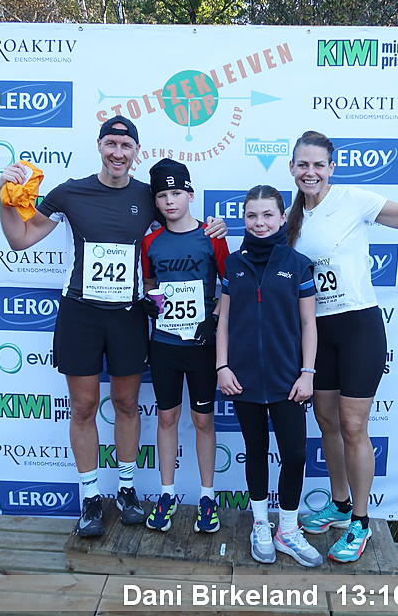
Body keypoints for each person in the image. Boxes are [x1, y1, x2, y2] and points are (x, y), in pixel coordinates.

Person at [0, 116, 226, 537]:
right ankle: (89, 497)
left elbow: (182, 226)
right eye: (111, 144)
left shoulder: (147, 196)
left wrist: (216, 230)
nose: (118, 153)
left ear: (136, 151)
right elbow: (20, 239)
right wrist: (3, 197)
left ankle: (126, 489)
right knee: (83, 407)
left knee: (126, 404)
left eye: (126, 146)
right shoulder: (69, 192)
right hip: (81, 314)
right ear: (100, 145)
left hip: (128, 315)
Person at [288, 131, 398, 562]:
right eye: (303, 164)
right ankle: (339, 504)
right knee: (327, 421)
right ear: (292, 168)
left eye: (318, 165)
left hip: (358, 327)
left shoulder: (353, 199)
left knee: (353, 425)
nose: (311, 172)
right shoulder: (292, 217)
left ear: (331, 168)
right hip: (318, 332)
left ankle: (361, 521)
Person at [216, 185, 321, 567]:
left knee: (294, 455)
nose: (259, 223)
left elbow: (308, 323)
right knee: (256, 452)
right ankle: (260, 524)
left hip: (288, 380)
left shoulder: (298, 264)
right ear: (244, 218)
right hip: (242, 380)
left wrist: (307, 372)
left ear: (282, 217)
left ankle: (287, 530)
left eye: (267, 215)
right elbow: (224, 320)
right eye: (252, 215)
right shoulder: (233, 264)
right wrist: (222, 366)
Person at [141, 158, 228, 533]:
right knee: (166, 418)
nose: (170, 201)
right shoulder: (150, 242)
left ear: (190, 195)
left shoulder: (213, 236)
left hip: (201, 345)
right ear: (155, 201)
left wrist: (214, 318)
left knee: (203, 420)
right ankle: (167, 494)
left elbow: (231, 284)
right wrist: (150, 302)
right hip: (164, 343)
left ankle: (208, 497)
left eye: (176, 193)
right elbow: (148, 283)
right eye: (162, 195)